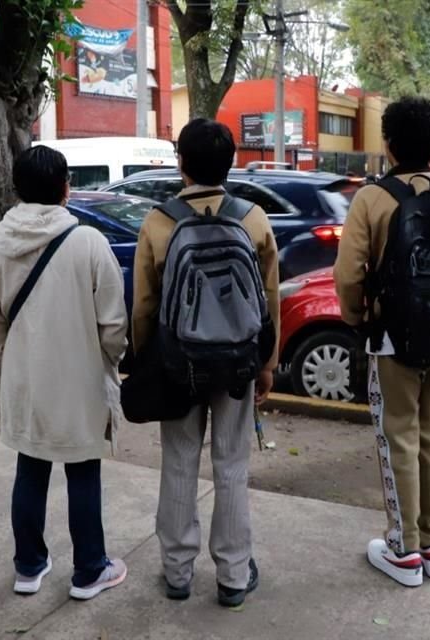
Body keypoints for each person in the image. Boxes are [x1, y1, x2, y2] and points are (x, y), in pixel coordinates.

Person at [131, 118, 280, 607]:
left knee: (178, 462)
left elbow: (145, 306)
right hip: (238, 362)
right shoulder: (253, 219)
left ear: (181, 164)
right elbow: (269, 302)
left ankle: (177, 572)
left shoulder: (159, 222)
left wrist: (144, 359)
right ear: (231, 162)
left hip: (179, 362)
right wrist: (266, 364)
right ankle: (234, 574)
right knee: (232, 464)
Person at [334, 97, 430, 588]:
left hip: (394, 338)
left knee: (398, 435)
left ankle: (403, 548)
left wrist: (358, 319)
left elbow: (349, 275)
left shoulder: (373, 200)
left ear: (390, 143)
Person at [0, 145, 129, 601]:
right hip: (80, 380)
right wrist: (109, 360)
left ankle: (28, 567)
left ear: (18, 188)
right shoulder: (88, 243)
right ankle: (89, 570)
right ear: (65, 188)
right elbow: (114, 323)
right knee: (83, 470)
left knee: (30, 466)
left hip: (26, 380)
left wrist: (11, 355)